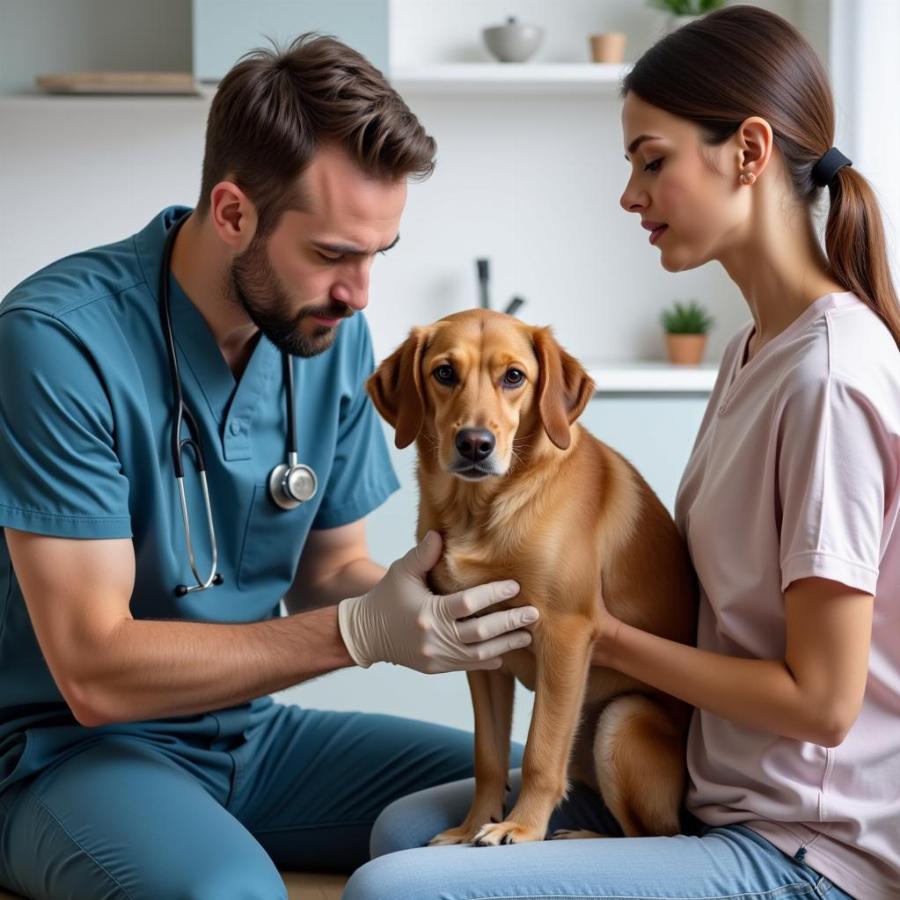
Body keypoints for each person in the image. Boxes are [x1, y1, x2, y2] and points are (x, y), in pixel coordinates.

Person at [344, 6, 900, 899]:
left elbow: (825, 706)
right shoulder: (755, 351)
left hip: (802, 839)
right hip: (713, 775)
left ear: (749, 154)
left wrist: (605, 637)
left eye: (653, 161)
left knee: (392, 887)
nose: (630, 194)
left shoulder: (828, 377)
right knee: (399, 833)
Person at [0, 35, 540, 899]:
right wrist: (363, 632)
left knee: (547, 795)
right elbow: (94, 672)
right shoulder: (57, 344)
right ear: (232, 212)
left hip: (252, 736)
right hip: (73, 751)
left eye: (378, 254)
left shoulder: (328, 335)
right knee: (228, 896)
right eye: (331, 254)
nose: (360, 293)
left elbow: (330, 571)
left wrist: (452, 606)